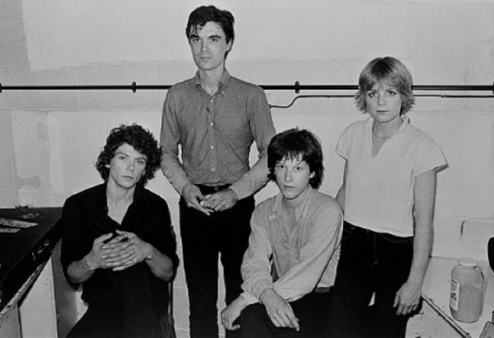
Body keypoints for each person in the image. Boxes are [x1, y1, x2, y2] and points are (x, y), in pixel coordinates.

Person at [160, 5, 276, 338]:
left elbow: (271, 155)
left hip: (237, 205)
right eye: (196, 39)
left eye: (213, 38)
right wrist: (185, 189)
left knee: (239, 294)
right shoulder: (177, 96)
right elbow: (167, 153)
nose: (204, 48)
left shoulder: (251, 95)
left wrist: (235, 192)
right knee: (200, 297)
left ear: (228, 43)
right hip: (195, 206)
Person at [326, 56, 448, 338]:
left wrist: (415, 281)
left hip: (396, 251)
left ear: (403, 96)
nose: (381, 101)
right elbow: (345, 192)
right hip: (354, 244)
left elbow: (424, 221)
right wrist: (322, 241)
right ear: (364, 98)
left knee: (387, 332)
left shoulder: (423, 146)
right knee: (338, 329)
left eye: (390, 92)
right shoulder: (352, 135)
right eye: (373, 93)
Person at [221, 128, 343, 338]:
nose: (288, 177)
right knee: (247, 320)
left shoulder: (328, 210)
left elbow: (307, 276)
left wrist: (245, 299)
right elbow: (254, 263)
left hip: (321, 298)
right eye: (281, 167)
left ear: (312, 172)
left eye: (297, 168)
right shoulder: (263, 211)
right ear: (273, 170)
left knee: (249, 312)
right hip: (280, 292)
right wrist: (266, 295)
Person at [60, 124, 179, 338]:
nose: (131, 168)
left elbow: (168, 272)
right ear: (108, 161)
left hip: (147, 313)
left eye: (139, 161)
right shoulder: (79, 205)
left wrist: (147, 251)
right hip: (103, 312)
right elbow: (72, 274)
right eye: (123, 158)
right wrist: (92, 261)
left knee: (133, 262)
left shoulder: (155, 207)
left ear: (145, 170)